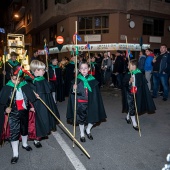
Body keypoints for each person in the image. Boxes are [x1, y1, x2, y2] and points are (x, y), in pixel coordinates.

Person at [0, 66, 37, 164]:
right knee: (14, 132)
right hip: (13, 113)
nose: (16, 81)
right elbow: (2, 102)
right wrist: (5, 108)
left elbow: (28, 98)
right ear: (10, 77)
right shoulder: (7, 87)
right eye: (14, 79)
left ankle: (24, 144)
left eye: (18, 79)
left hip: (24, 111)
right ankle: (15, 154)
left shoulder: (24, 85)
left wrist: (30, 106)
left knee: (24, 128)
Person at [66, 61, 107, 142]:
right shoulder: (76, 80)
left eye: (85, 68)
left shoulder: (92, 80)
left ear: (88, 69)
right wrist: (74, 88)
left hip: (91, 102)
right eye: (82, 68)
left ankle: (88, 130)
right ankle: (82, 133)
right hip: (80, 103)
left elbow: (96, 93)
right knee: (81, 119)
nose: (84, 70)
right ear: (79, 70)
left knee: (93, 118)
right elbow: (72, 94)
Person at [29, 60, 60, 147]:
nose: (44, 71)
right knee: (38, 121)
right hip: (37, 105)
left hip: (46, 102)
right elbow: (28, 95)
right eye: (42, 69)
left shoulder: (43, 79)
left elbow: (48, 90)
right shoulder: (32, 81)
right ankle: (36, 139)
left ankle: (44, 131)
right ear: (36, 70)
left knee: (46, 118)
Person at [122, 59, 156, 131]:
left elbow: (142, 84)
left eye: (129, 65)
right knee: (131, 106)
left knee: (134, 106)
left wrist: (137, 87)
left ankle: (127, 117)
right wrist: (129, 81)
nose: (128, 67)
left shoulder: (139, 74)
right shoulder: (128, 74)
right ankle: (135, 124)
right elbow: (123, 83)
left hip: (137, 93)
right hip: (129, 93)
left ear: (134, 66)